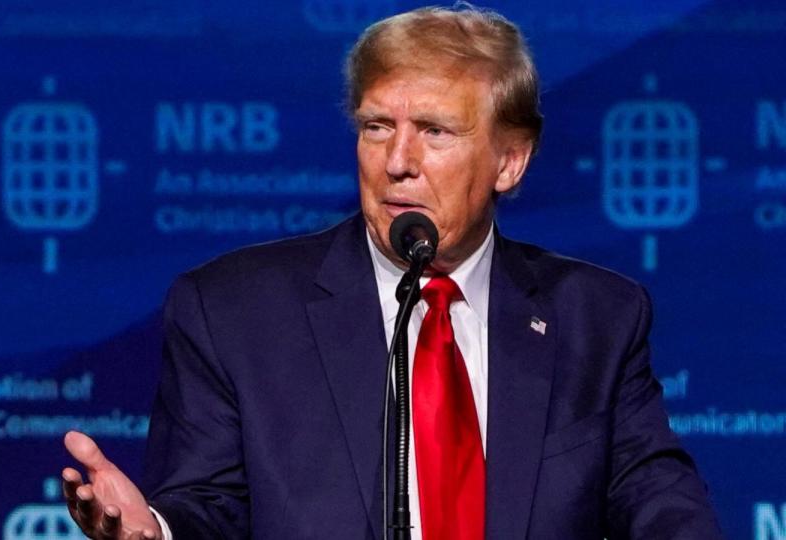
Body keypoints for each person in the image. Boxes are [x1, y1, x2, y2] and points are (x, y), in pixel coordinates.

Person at [61, 6, 723, 539]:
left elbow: (658, 500)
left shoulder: (597, 318)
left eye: (434, 131)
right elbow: (207, 504)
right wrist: (154, 532)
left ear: (510, 161)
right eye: (377, 126)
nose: (397, 160)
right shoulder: (232, 311)